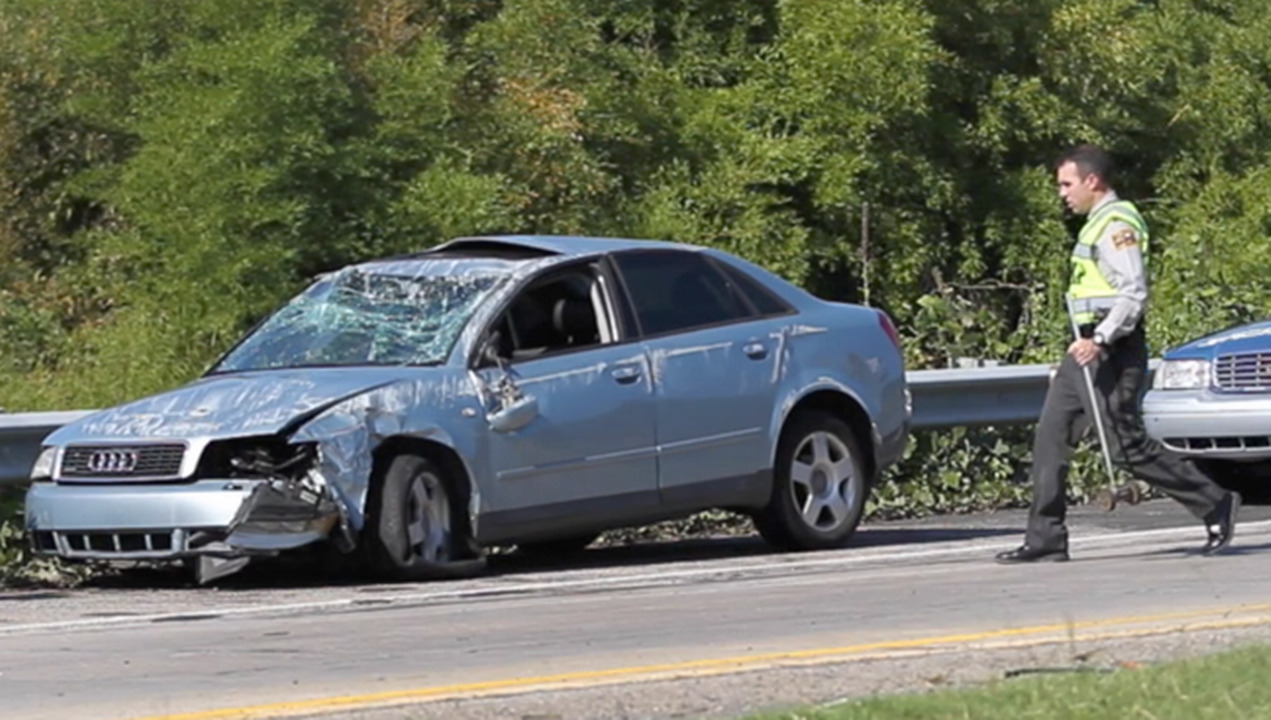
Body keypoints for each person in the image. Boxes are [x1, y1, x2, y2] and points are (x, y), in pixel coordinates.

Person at [995, 143, 1240, 563]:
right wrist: (1075, 354)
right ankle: (1046, 537)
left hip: (1111, 349)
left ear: (1093, 181)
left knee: (1124, 446)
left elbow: (1133, 292)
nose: (1062, 193)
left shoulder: (1115, 224)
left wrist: (1101, 339)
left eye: (1066, 183)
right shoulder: (1094, 224)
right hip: (1085, 350)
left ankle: (1214, 501)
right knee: (1050, 439)